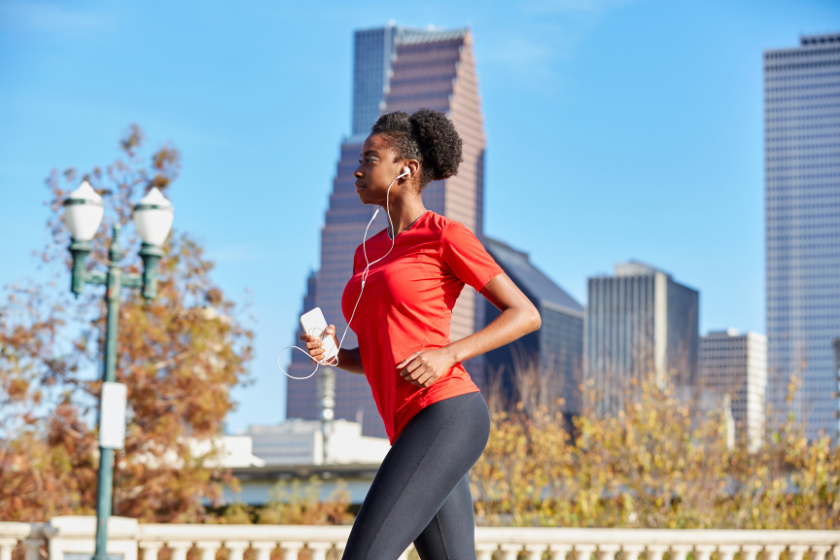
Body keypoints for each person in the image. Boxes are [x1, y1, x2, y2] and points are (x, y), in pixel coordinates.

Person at [302, 108, 541, 560]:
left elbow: (525, 314)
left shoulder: (444, 235)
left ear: (406, 170)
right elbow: (377, 353)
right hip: (408, 425)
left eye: (370, 159)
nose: (357, 169)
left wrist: (448, 354)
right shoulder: (365, 254)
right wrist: (335, 354)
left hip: (447, 412)